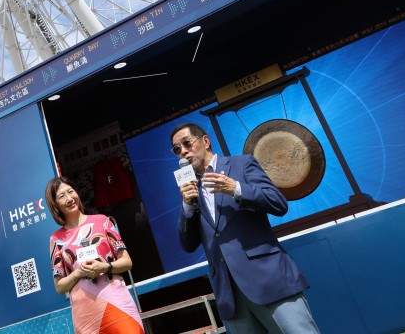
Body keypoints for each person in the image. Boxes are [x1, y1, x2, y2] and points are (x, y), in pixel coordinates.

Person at [172, 123, 321, 334]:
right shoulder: (191, 190)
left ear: (205, 141)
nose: (183, 152)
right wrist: (187, 206)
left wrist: (237, 189)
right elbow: (187, 244)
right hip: (230, 295)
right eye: (177, 149)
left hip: (269, 280)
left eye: (187, 143)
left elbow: (278, 203)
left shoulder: (241, 164)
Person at [46, 176, 144, 334]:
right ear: (55, 205)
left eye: (70, 192)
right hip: (86, 316)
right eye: (61, 196)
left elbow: (127, 262)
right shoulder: (56, 239)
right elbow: (60, 286)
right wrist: (78, 273)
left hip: (116, 303)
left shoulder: (102, 221)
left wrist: (104, 267)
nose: (69, 198)